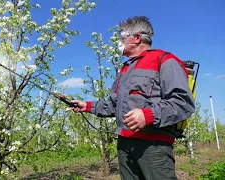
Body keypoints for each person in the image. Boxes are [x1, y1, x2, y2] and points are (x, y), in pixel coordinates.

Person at [71, 16, 195, 180]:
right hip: (124, 145)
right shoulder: (125, 69)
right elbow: (114, 106)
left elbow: (183, 103)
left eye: (122, 37)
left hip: (153, 147)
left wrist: (148, 115)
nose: (118, 42)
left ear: (136, 38)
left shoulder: (164, 60)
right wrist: (86, 106)